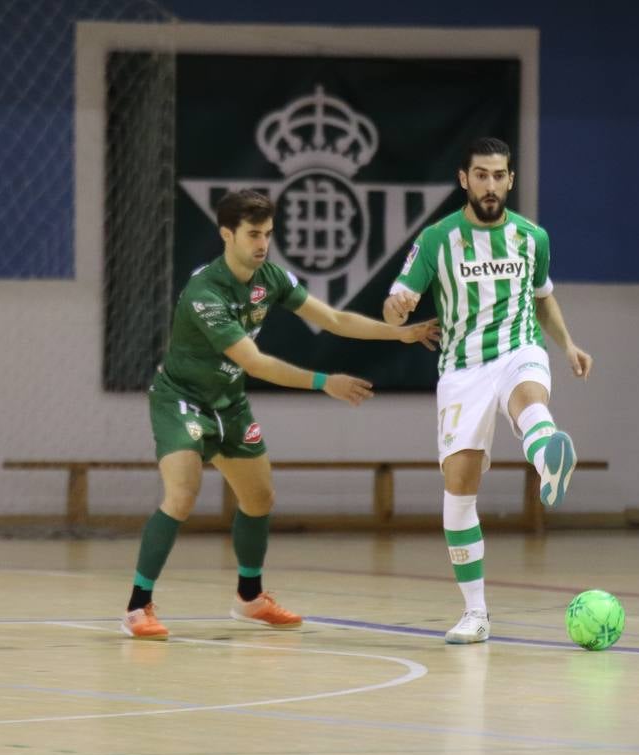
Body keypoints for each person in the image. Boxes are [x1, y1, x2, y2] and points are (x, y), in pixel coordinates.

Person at [123, 189, 440, 640]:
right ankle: (138, 606)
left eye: (268, 234)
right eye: (253, 234)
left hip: (229, 401)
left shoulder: (270, 277)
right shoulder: (205, 291)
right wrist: (322, 382)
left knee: (259, 499)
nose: (262, 244)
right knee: (183, 493)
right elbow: (255, 362)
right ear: (226, 234)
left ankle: (249, 599)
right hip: (182, 399)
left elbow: (332, 318)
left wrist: (399, 334)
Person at [383, 136, 592, 644]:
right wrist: (401, 312)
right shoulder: (437, 239)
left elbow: (543, 300)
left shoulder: (532, 238)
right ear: (464, 179)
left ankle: (549, 462)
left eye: (499, 175)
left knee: (530, 401)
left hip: (518, 350)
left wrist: (567, 345)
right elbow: (397, 299)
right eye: (481, 175)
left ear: (511, 180)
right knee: (458, 495)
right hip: (462, 370)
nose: (491, 184)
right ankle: (476, 614)